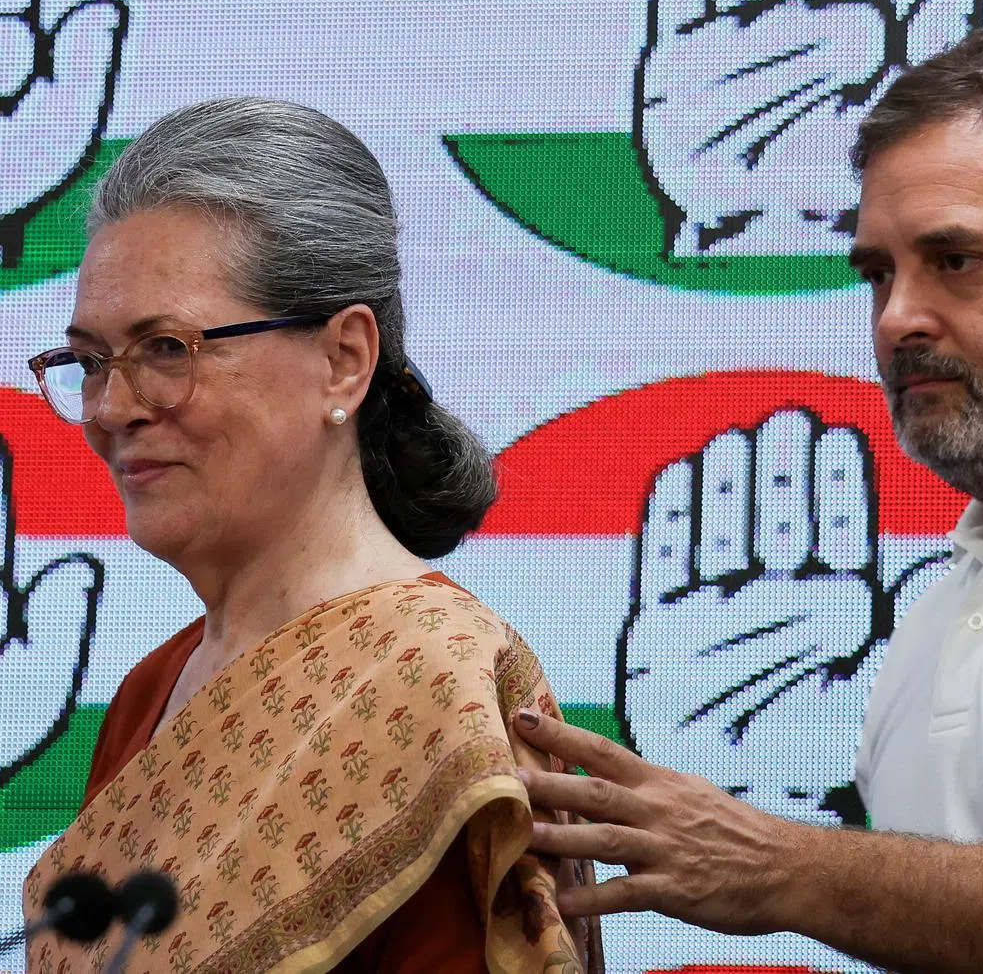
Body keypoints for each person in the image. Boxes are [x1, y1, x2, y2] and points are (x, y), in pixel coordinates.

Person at [512, 22, 983, 972]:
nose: (897, 319)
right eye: (878, 273)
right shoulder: (932, 622)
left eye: (956, 260)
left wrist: (788, 868)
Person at [21, 98, 602, 974]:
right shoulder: (150, 692)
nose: (111, 409)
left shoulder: (435, 687)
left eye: (167, 349)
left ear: (343, 359)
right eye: (92, 363)